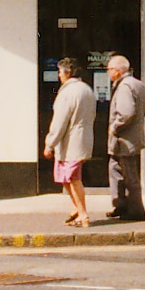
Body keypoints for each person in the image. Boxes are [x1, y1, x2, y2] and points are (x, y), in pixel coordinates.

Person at [43, 57, 96, 227]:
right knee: (67, 177)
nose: (59, 75)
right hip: (83, 138)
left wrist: (49, 143)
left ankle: (83, 214)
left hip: (71, 141)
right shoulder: (87, 89)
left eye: (60, 72)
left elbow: (60, 121)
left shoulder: (67, 93)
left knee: (72, 178)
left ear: (68, 73)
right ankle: (76, 209)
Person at [105, 54, 145, 221]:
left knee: (129, 175)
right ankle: (120, 205)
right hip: (132, 138)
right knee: (115, 169)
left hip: (124, 139)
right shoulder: (138, 84)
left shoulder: (124, 87)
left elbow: (126, 113)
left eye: (109, 69)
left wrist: (114, 127)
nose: (108, 73)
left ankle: (136, 211)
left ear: (117, 71)